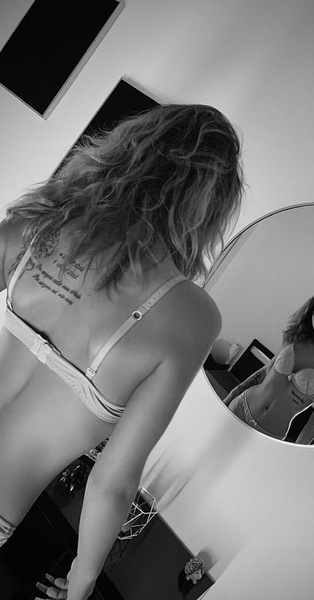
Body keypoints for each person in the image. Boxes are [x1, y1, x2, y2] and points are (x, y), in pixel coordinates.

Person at [0, 103, 244, 600]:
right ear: (211, 206)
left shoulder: (37, 223)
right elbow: (113, 481)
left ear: (129, 148)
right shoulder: (191, 315)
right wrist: (81, 582)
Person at [223, 288, 314, 445]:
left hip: (269, 434)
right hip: (240, 405)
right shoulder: (296, 337)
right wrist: (230, 397)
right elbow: (264, 372)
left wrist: (295, 451)